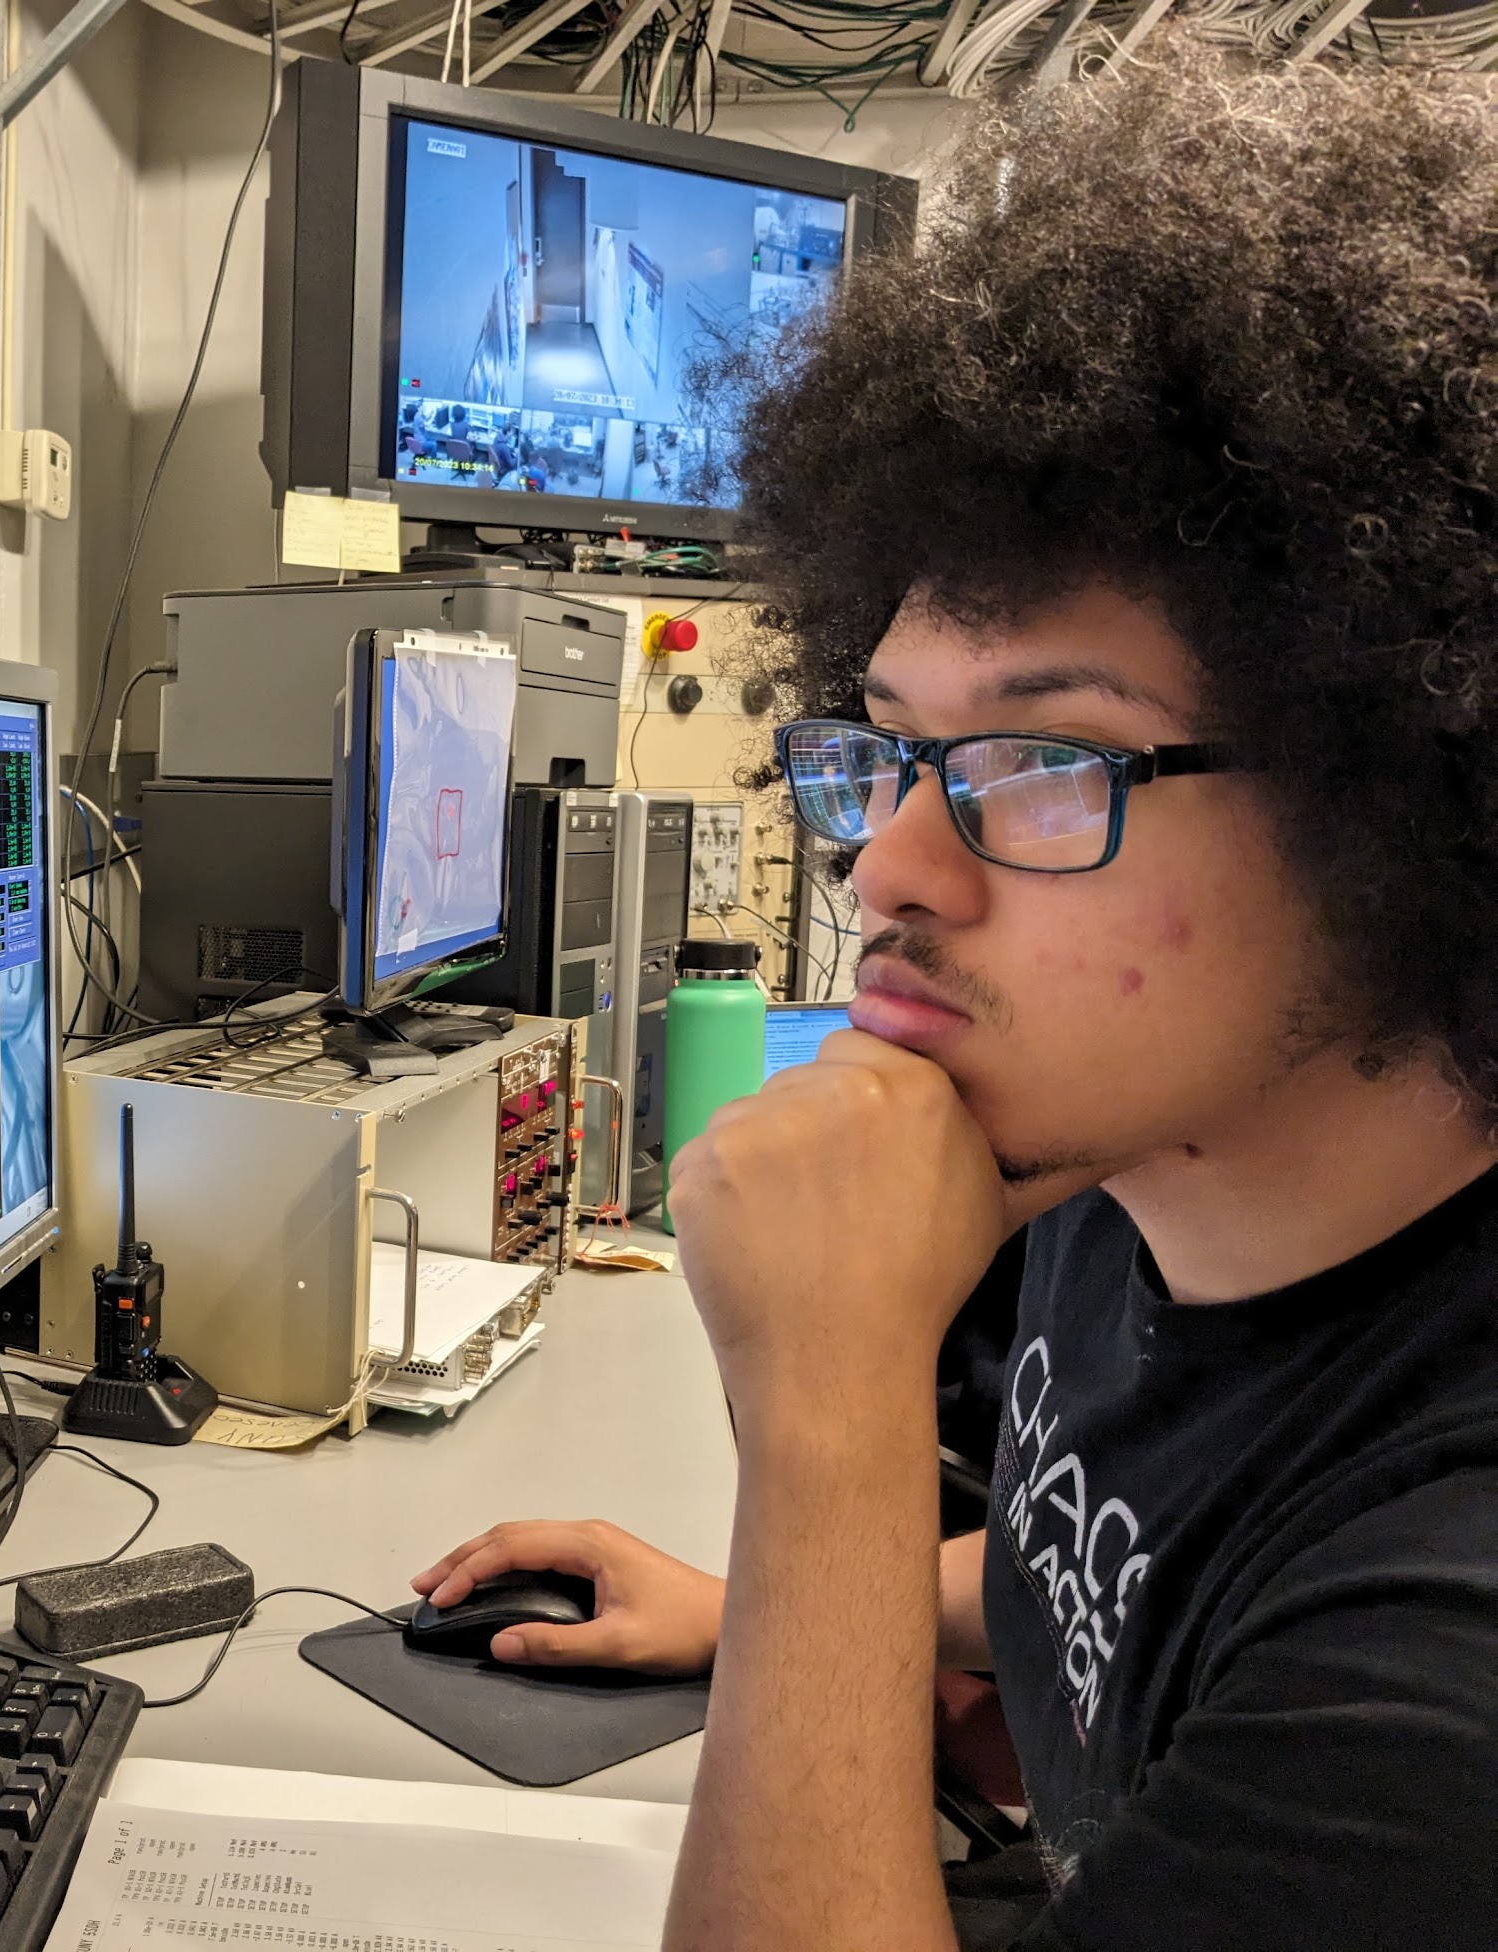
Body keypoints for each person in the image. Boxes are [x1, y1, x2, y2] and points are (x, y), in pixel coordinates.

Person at [417, 37, 1498, 1952]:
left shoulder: (1445, 1678)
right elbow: (1138, 1552)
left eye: (1049, 764)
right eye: (892, 751)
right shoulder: (1122, 1171)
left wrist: (825, 1426)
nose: (893, 872)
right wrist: (785, 1607)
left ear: (1408, 793)